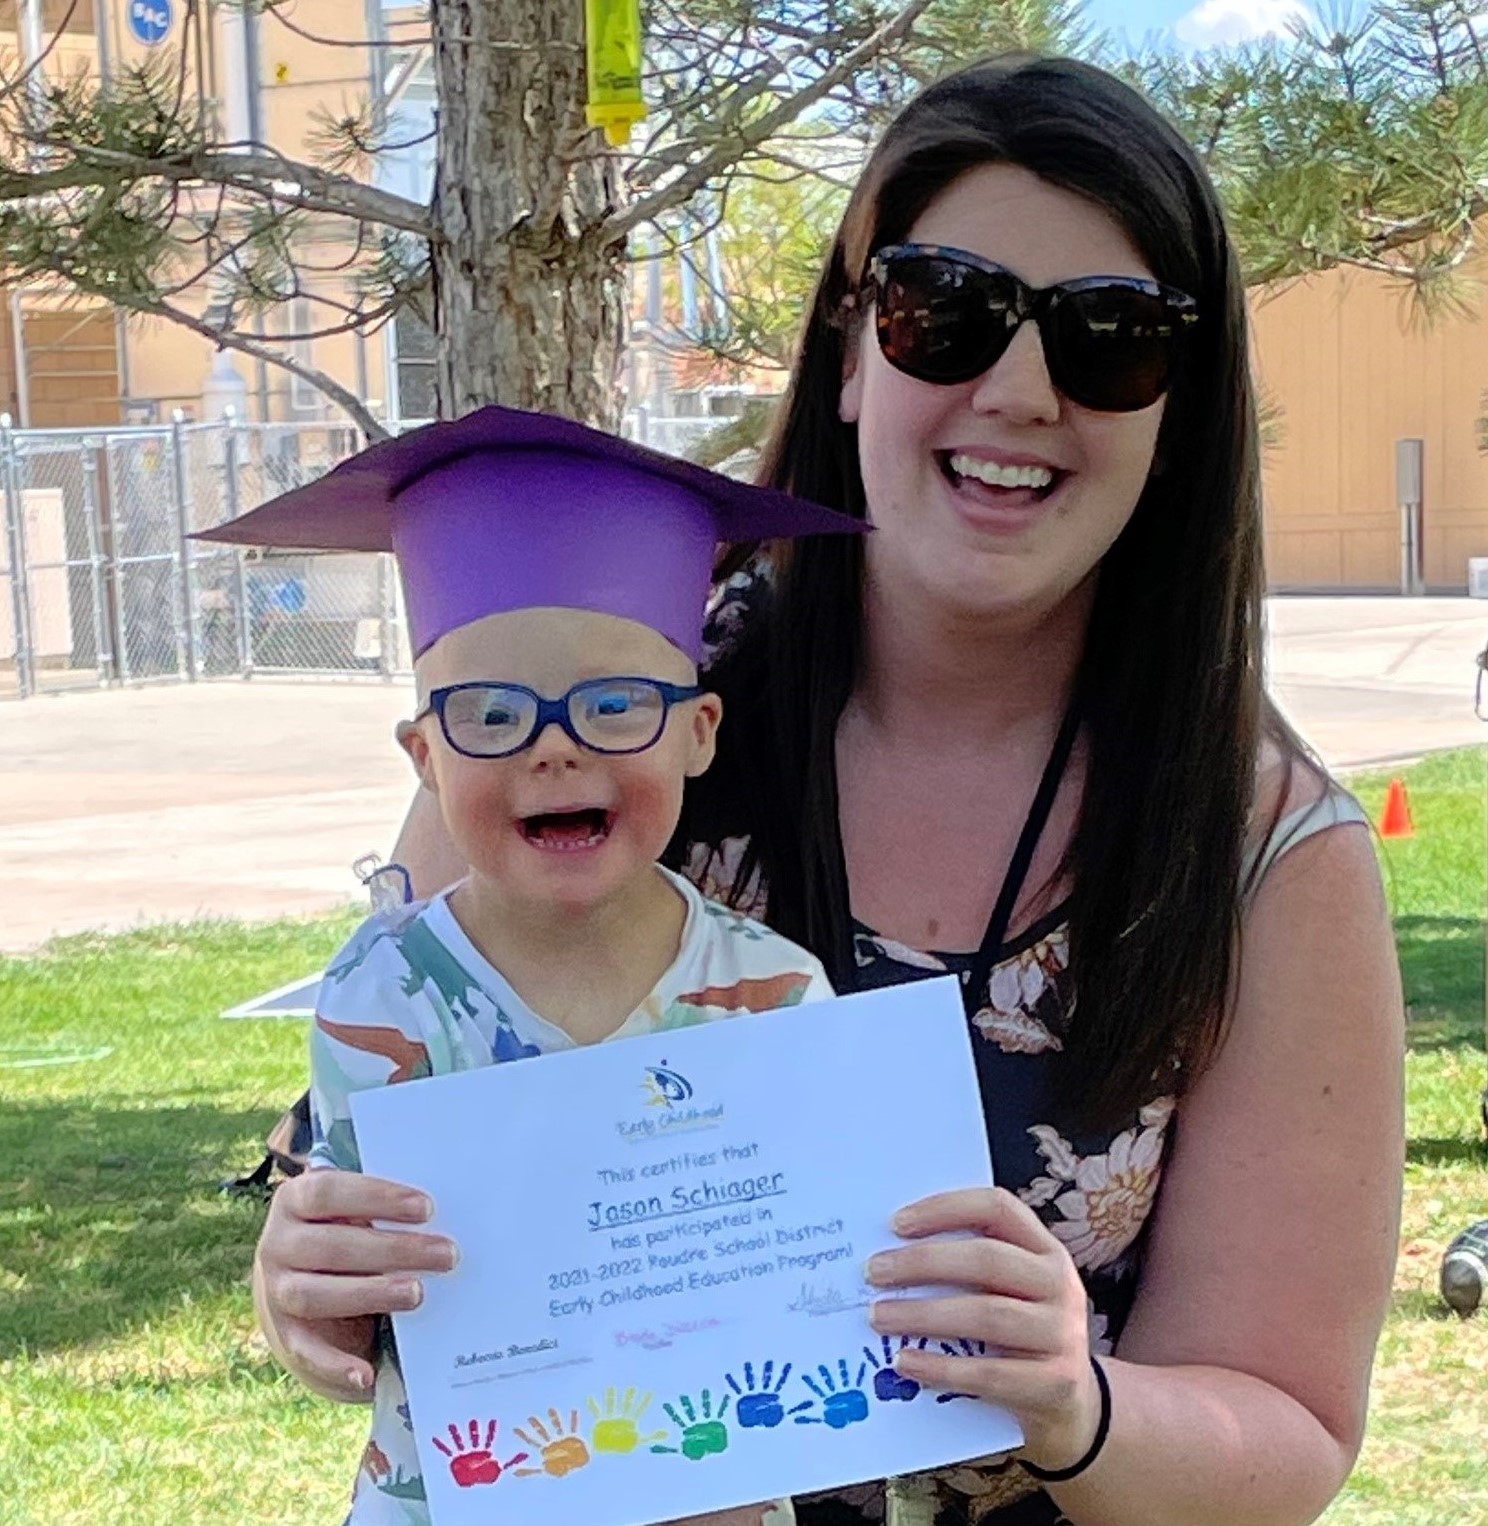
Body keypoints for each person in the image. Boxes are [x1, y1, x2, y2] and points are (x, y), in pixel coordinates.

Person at [254, 52, 1406, 1526]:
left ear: (1179, 409)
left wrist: (1077, 1394)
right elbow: (369, 1150)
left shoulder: (1264, 851)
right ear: (853, 348)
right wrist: (314, 1286)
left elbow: (1288, 1430)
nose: (1021, 386)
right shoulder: (594, 729)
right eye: (948, 310)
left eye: (1111, 338)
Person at [202, 407, 862, 1526]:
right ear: (424, 753)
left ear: (699, 730)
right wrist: (317, 1304)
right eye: (492, 711)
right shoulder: (380, 998)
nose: (556, 747)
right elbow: (362, 1307)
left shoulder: (780, 999)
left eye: (616, 705)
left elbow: (822, 1278)